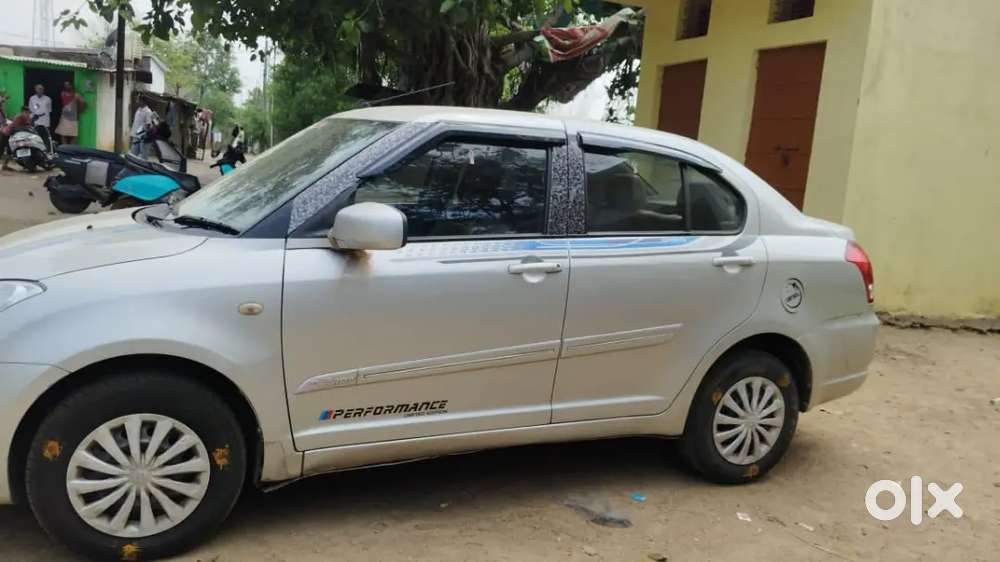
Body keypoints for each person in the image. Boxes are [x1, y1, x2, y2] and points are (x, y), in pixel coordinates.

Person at [1, 106, 32, 171]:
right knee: (8, 149)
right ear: (23, 112)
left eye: (28, 113)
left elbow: (28, 125)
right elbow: (17, 128)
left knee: (9, 150)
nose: (27, 114)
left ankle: (5, 165)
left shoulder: (26, 117)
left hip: (11, 134)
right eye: (26, 112)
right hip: (8, 134)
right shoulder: (19, 117)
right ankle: (4, 166)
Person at [28, 84, 52, 152]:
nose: (40, 90)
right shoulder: (32, 98)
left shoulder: (48, 99)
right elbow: (30, 110)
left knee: (46, 138)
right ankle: (37, 152)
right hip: (35, 122)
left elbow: (49, 110)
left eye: (42, 89)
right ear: (35, 90)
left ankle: (47, 151)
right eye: (39, 89)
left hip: (45, 122)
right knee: (36, 137)